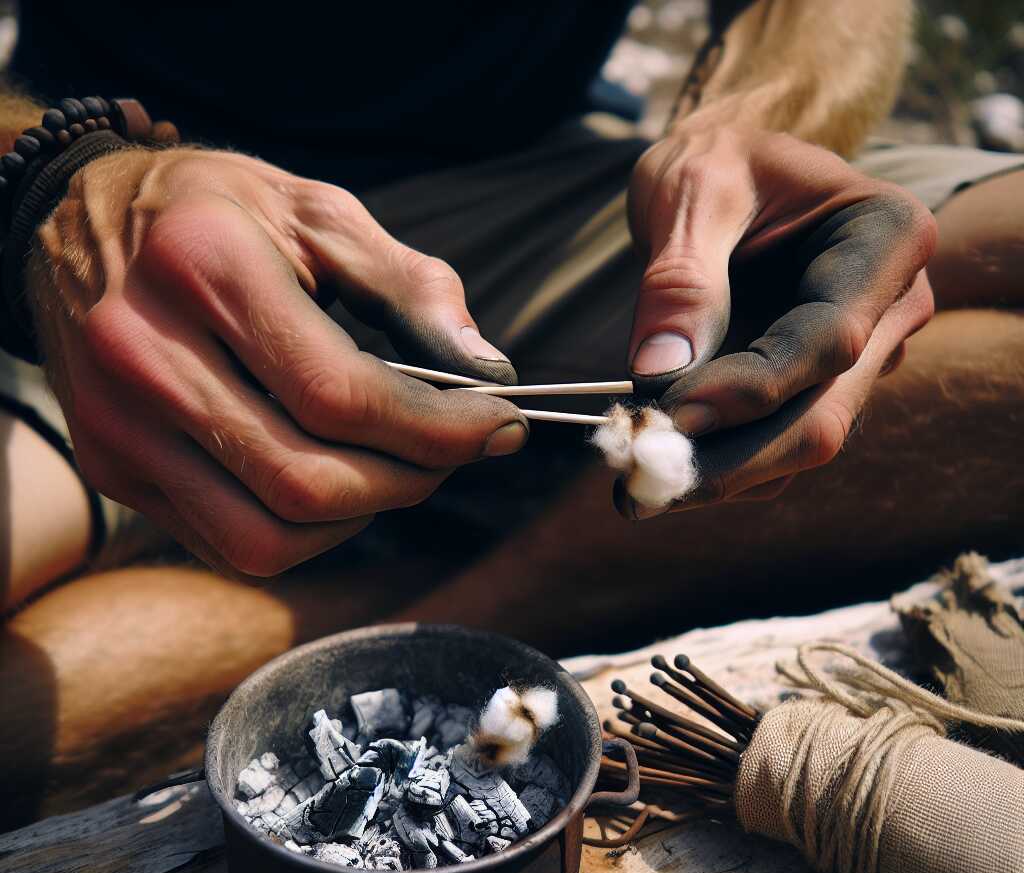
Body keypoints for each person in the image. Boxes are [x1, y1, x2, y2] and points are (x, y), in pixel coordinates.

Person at [1, 1, 1022, 826]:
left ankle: (478, 618)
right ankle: (452, 592)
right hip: (115, 248)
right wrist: (55, 187)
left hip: (543, 186)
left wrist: (741, 131)